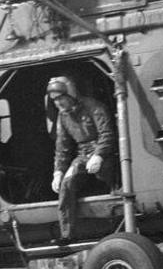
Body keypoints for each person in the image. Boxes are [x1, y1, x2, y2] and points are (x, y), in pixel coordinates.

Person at [47, 76, 117, 239]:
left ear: (70, 94)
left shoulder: (94, 107)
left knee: (105, 174)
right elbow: (62, 147)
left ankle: (114, 216)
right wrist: (58, 172)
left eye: (60, 98)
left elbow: (107, 134)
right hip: (82, 155)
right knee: (66, 183)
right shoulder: (63, 117)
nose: (58, 103)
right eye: (54, 100)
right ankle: (67, 233)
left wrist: (99, 155)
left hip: (104, 152)